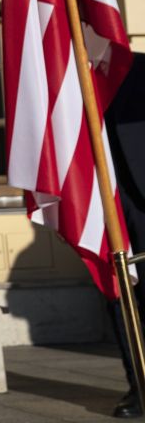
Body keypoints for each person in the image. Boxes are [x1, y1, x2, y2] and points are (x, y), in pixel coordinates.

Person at [106, 53, 145, 418]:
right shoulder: (62, 77)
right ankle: (139, 385)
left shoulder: (141, 68)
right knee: (119, 297)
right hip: (102, 204)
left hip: (143, 199)